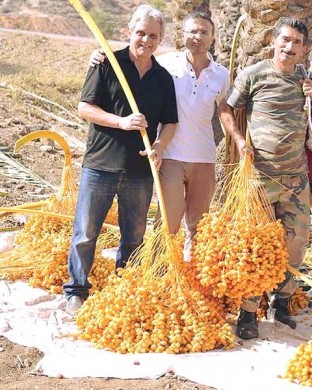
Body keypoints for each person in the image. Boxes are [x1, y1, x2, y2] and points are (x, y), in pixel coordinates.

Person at [218, 17, 312, 340]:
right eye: (285, 40)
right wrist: (240, 141)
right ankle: (248, 311)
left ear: (304, 48)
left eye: (297, 42)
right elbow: (226, 108)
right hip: (259, 178)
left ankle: (282, 302)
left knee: (296, 241)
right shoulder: (254, 75)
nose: (289, 46)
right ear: (273, 40)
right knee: (257, 244)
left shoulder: (306, 79)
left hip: (296, 180)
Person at [63, 4, 178, 315]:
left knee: (134, 236)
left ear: (160, 39)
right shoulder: (106, 62)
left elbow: (170, 122)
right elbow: (84, 108)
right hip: (100, 164)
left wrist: (160, 146)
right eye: (140, 33)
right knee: (86, 232)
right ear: (130, 31)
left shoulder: (163, 78)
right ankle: (76, 289)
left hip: (140, 170)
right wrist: (121, 122)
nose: (146, 40)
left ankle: (124, 288)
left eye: (153, 35)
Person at [90, 13, 229, 261]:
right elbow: (132, 61)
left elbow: (226, 112)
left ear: (212, 37)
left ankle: (193, 276)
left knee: (200, 224)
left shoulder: (221, 75)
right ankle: (160, 272)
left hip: (204, 158)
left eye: (204, 32)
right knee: (167, 222)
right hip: (170, 156)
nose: (198, 37)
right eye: (192, 31)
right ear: (182, 35)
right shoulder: (164, 64)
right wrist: (98, 56)